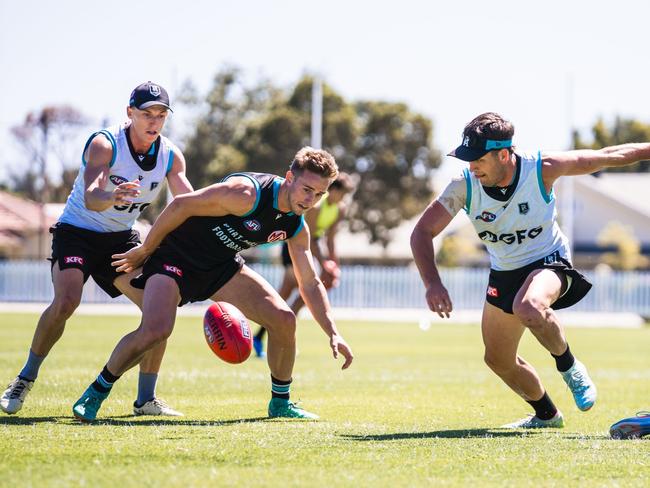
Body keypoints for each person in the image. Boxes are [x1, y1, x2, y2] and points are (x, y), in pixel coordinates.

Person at [71, 147, 354, 422]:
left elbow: (310, 281)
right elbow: (181, 204)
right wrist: (145, 249)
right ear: (290, 178)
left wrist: (333, 332)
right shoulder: (245, 194)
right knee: (156, 330)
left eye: (319, 194)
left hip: (220, 266)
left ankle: (280, 402)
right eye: (307, 189)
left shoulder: (296, 225)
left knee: (283, 319)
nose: (311, 200)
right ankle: (96, 392)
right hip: (176, 257)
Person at [410, 112, 650, 429]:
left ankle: (570, 367)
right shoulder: (463, 187)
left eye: (478, 159)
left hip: (549, 262)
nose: (472, 167)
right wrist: (433, 283)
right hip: (505, 272)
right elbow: (421, 233)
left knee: (529, 306)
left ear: (504, 154)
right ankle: (546, 415)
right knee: (497, 359)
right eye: (468, 160)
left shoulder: (541, 168)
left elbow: (607, 156)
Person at [1, 82, 193, 417]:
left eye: (161, 115)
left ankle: (145, 399)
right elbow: (91, 196)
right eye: (147, 114)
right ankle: (24, 378)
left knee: (160, 309)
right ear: (129, 113)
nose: (154, 121)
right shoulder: (106, 143)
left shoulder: (170, 156)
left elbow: (189, 202)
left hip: (120, 240)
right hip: (77, 232)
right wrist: (113, 197)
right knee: (66, 301)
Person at [252, 172, 355, 358]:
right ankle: (269, 336)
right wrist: (324, 264)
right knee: (288, 292)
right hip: (296, 245)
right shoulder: (317, 207)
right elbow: (312, 239)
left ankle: (271, 336)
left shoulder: (340, 209)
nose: (343, 198)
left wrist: (334, 265)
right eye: (342, 193)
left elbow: (330, 239)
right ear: (333, 190)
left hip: (312, 248)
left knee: (300, 297)